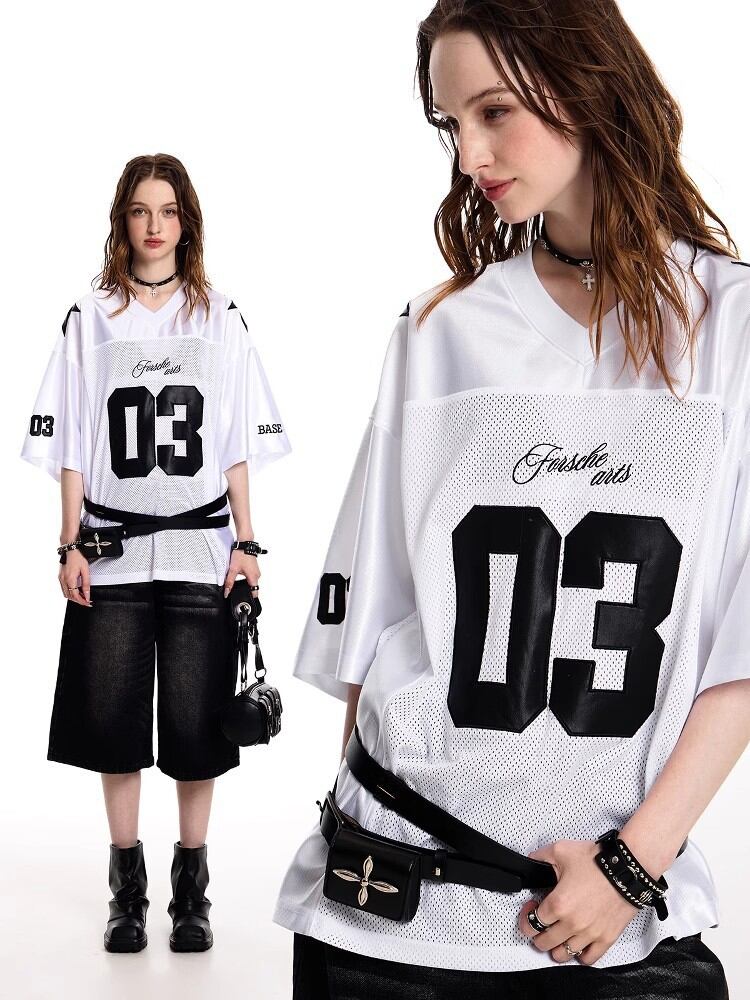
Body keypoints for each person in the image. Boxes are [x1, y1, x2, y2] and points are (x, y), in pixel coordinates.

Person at [272, 2, 749, 997]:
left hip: (609, 932)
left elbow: (742, 650)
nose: (470, 156)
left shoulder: (731, 330)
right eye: (450, 125)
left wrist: (632, 868)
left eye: (494, 112)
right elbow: (374, 626)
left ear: (590, 87)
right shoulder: (439, 331)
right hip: (390, 914)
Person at [20, 153, 291, 954]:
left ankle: (192, 894)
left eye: (167, 211)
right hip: (112, 554)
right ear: (122, 220)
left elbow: (235, 441)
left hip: (200, 551)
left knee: (197, 730)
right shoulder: (90, 315)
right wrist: (69, 542)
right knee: (114, 727)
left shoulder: (219, 316)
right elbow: (73, 439)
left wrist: (247, 542)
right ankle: (127, 893)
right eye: (140, 210)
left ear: (186, 222)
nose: (153, 225)